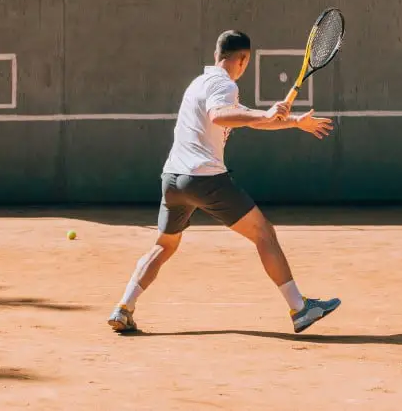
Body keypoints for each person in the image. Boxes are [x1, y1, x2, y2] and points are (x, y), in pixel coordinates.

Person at [107, 30, 340, 334]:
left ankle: (123, 307)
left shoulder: (199, 83)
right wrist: (263, 112)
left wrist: (293, 121)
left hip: (173, 180)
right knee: (264, 233)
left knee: (164, 245)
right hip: (205, 180)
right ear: (242, 60)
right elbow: (221, 115)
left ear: (217, 54)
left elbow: (245, 119)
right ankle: (300, 309)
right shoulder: (223, 85)